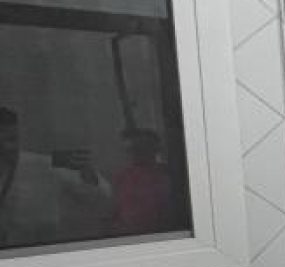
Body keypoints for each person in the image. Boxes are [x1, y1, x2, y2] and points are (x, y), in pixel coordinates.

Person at [0, 107, 113, 249]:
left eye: (11, 139)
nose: (6, 147)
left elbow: (102, 200)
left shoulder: (43, 164)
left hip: (42, 256)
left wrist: (87, 172)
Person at [112, 127, 174, 235]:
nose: (134, 153)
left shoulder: (168, 175)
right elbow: (116, 210)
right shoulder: (121, 176)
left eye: (141, 148)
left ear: (155, 149)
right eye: (131, 149)